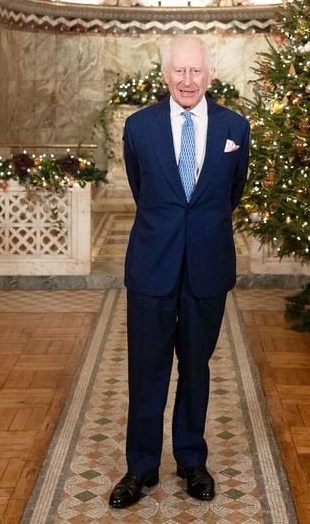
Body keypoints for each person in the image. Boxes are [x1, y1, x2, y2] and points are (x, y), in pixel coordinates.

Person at [109, 35, 250, 509]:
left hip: (207, 268)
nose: (187, 81)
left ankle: (191, 459)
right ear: (165, 73)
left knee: (196, 367)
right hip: (152, 266)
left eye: (196, 72)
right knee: (146, 370)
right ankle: (141, 467)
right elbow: (140, 187)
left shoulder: (236, 127)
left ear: (209, 75)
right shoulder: (138, 127)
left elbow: (232, 192)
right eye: (179, 71)